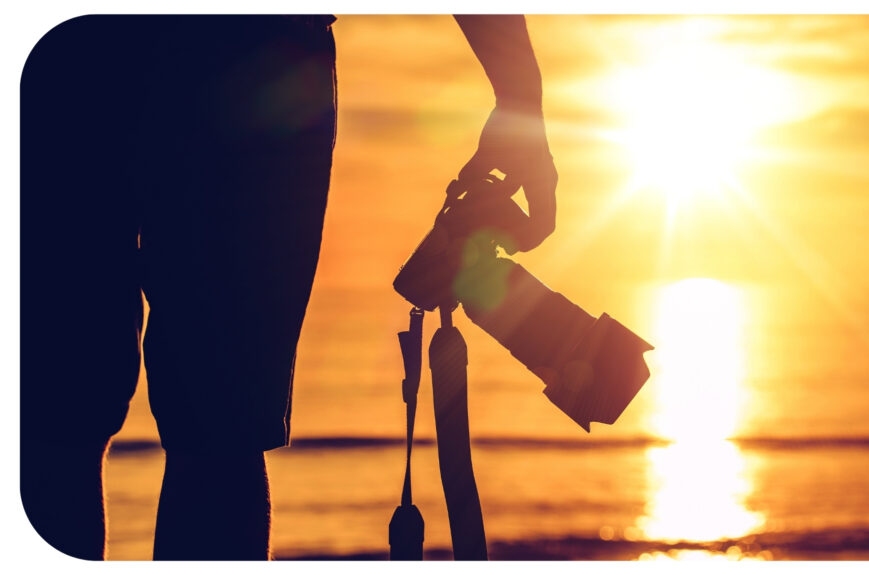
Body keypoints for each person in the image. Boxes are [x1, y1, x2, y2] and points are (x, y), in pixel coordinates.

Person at [20, 15, 556, 560]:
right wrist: (518, 92)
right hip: (247, 55)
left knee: (58, 417)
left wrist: (519, 94)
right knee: (205, 432)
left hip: (80, 57)